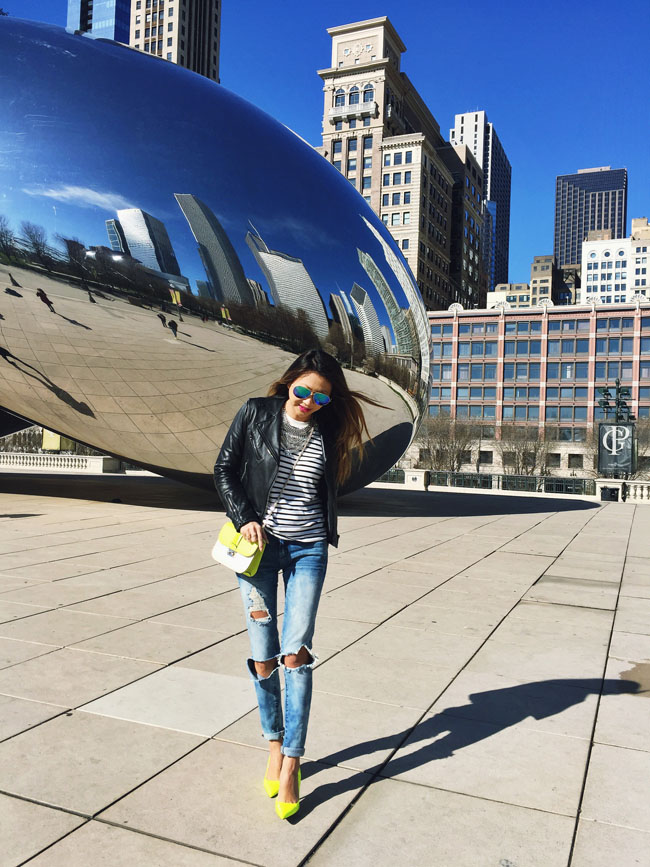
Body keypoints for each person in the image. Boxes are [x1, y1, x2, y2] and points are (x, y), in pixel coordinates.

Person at [214, 349, 377, 820]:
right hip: (258, 550)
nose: (308, 402)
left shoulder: (329, 431)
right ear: (288, 384)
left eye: (320, 399)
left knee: (296, 653)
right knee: (265, 657)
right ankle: (272, 743)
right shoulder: (254, 413)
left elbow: (328, 488)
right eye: (302, 391)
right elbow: (224, 469)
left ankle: (291, 762)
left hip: (308, 550)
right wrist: (245, 518)